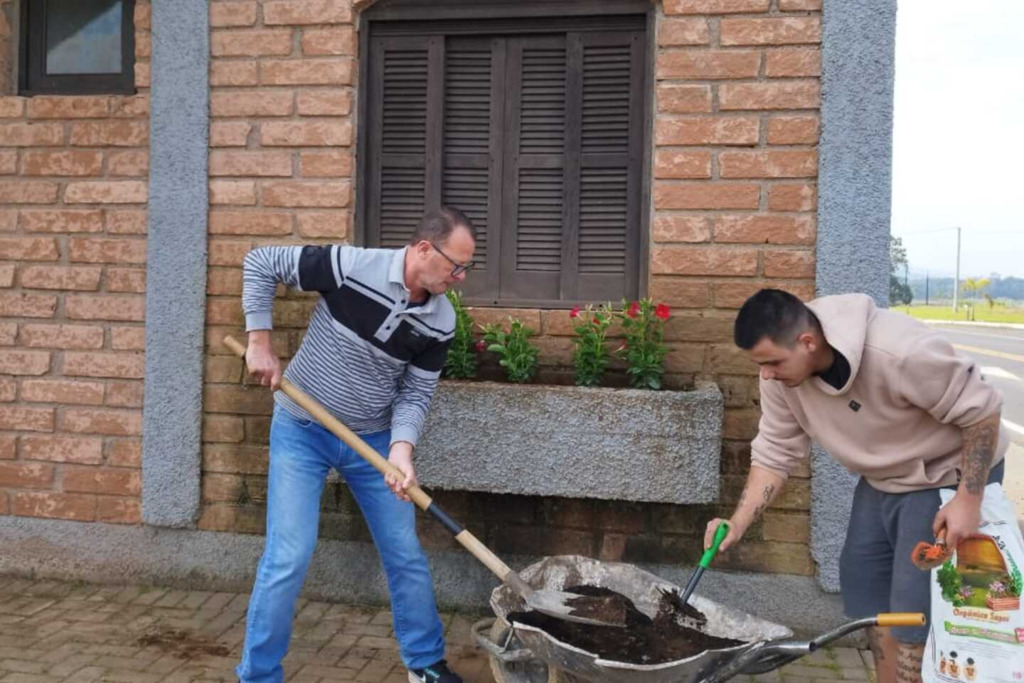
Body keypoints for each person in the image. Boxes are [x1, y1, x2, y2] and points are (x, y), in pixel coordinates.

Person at [705, 289, 1007, 683]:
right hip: (882, 478)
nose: (766, 373)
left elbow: (983, 411)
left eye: (773, 362)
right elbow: (775, 451)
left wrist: (969, 499)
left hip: (944, 476)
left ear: (808, 342)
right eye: (761, 364)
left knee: (913, 610)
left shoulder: (900, 352)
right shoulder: (781, 379)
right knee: (867, 590)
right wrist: (738, 522)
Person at [236, 207, 477, 683]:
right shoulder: (350, 267)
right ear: (424, 249)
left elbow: (416, 392)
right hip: (301, 430)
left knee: (404, 552)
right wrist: (259, 340)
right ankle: (259, 675)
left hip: (371, 442)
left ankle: (425, 664)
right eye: (456, 265)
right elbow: (261, 262)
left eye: (466, 268)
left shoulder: (441, 321)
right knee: (289, 555)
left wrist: (401, 450)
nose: (461, 277)